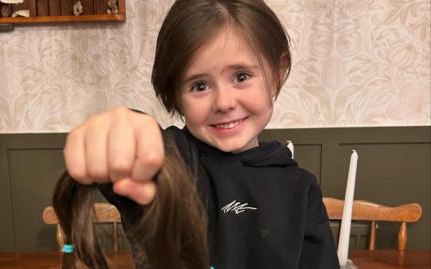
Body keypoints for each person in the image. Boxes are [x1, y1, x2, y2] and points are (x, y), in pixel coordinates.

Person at [63, 0, 340, 268]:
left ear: (277, 73)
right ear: (175, 97)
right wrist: (118, 132)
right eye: (199, 86)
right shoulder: (172, 163)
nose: (223, 103)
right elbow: (136, 146)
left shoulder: (300, 189)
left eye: (241, 76)